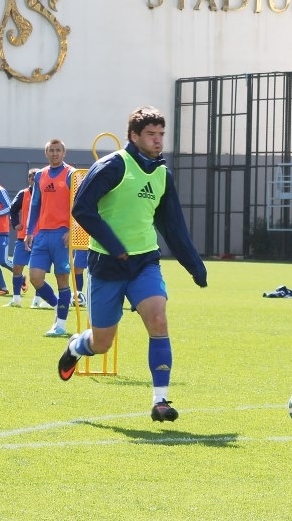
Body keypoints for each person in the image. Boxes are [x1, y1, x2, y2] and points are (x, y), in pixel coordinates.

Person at [59, 105, 207, 423]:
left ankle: (160, 401)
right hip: (107, 264)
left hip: (145, 263)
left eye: (161, 134)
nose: (158, 140)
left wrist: (194, 264)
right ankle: (76, 346)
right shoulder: (112, 166)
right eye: (151, 134)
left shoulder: (162, 175)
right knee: (102, 343)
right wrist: (114, 246)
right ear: (134, 135)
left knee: (158, 320)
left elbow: (173, 226)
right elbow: (82, 208)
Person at [25, 138, 75, 335]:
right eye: (51, 150)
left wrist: (72, 229)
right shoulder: (40, 175)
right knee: (35, 278)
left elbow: (79, 205)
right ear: (46, 153)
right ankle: (58, 305)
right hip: (42, 235)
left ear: (64, 152)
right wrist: (30, 231)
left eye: (58, 150)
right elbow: (35, 204)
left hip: (62, 234)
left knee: (62, 278)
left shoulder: (71, 174)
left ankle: (60, 325)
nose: (54, 153)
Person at [4, 168, 52, 308]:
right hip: (23, 237)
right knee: (17, 267)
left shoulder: (47, 193)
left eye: (35, 176)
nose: (32, 179)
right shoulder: (23, 194)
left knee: (38, 270)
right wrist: (15, 223)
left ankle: (36, 300)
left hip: (41, 237)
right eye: (30, 176)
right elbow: (13, 209)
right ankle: (16, 299)